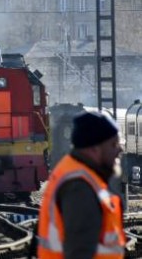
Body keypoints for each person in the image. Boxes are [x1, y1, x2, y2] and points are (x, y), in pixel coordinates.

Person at [35, 110, 126, 258]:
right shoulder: (79, 187)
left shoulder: (82, 176)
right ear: (94, 149)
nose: (120, 150)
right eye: (113, 144)